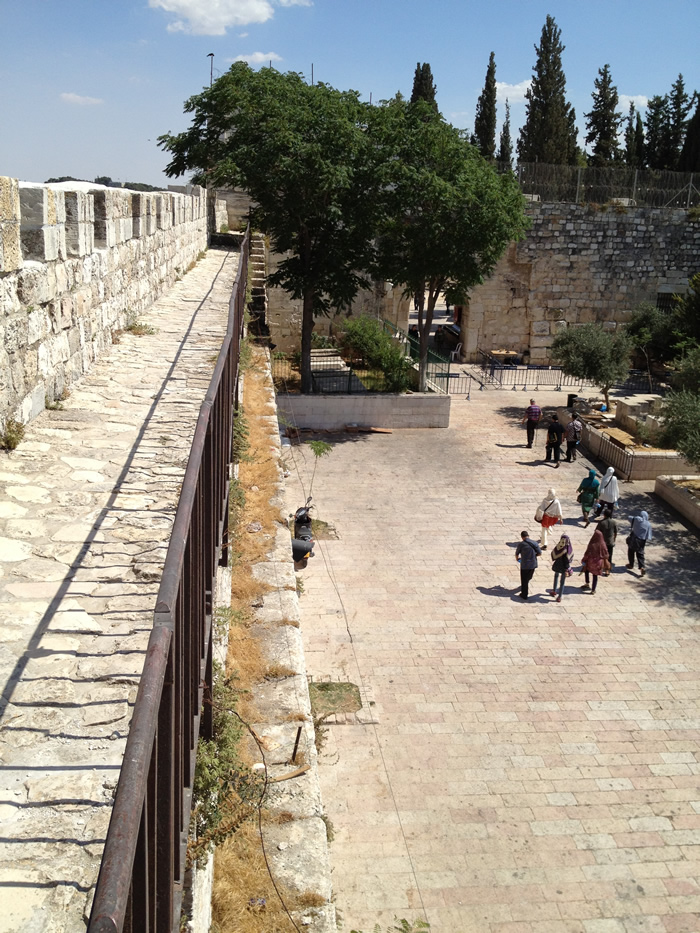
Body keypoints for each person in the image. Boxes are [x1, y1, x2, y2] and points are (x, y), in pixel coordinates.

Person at [581, 528, 610, 594]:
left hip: (590, 562)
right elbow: (606, 554)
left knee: (586, 571)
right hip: (598, 563)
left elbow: (587, 553)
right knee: (595, 575)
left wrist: (584, 560)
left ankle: (587, 583)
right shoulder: (603, 544)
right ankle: (593, 590)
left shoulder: (592, 543)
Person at [515, 530, 542, 600]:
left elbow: (517, 554)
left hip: (525, 564)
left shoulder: (521, 544)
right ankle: (526, 584)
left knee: (524, 580)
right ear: (528, 536)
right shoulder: (535, 543)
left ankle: (524, 594)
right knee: (529, 577)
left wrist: (517, 559)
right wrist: (534, 556)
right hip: (533, 564)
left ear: (522, 537)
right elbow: (540, 553)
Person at [626, 510, 653, 576]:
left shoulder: (637, 519)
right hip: (642, 541)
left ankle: (631, 564)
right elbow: (648, 535)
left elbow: (629, 517)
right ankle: (642, 567)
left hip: (634, 539)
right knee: (640, 554)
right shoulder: (648, 524)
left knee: (631, 551)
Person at [548, 534, 573, 602]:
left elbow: (554, 552)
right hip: (564, 567)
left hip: (558, 565)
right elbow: (570, 557)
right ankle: (560, 597)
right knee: (562, 582)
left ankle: (554, 591)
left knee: (556, 576)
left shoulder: (559, 546)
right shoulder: (568, 548)